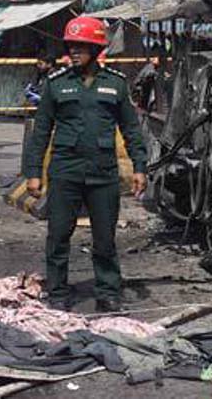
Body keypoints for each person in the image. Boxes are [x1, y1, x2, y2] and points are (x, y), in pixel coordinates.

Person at [22, 16, 148, 313]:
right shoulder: (56, 84)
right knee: (58, 235)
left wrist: (139, 166)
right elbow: (40, 132)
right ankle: (58, 291)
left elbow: (131, 129)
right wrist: (33, 173)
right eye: (72, 45)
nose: (74, 51)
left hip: (103, 174)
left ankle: (108, 291)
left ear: (97, 48)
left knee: (105, 238)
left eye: (82, 46)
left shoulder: (115, 85)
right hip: (65, 171)